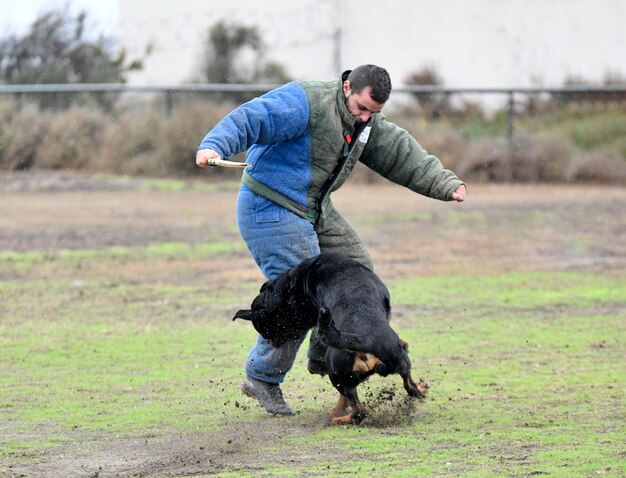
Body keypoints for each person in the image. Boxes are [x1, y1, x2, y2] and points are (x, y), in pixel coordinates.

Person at [196, 64, 466, 416]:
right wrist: (214, 145)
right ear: (346, 86)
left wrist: (445, 184)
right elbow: (253, 117)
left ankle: (326, 357)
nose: (366, 118)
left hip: (313, 207)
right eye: (362, 108)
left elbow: (400, 152)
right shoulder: (306, 102)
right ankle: (262, 376)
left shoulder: (365, 122)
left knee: (359, 274)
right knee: (300, 298)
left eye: (374, 113)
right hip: (269, 205)